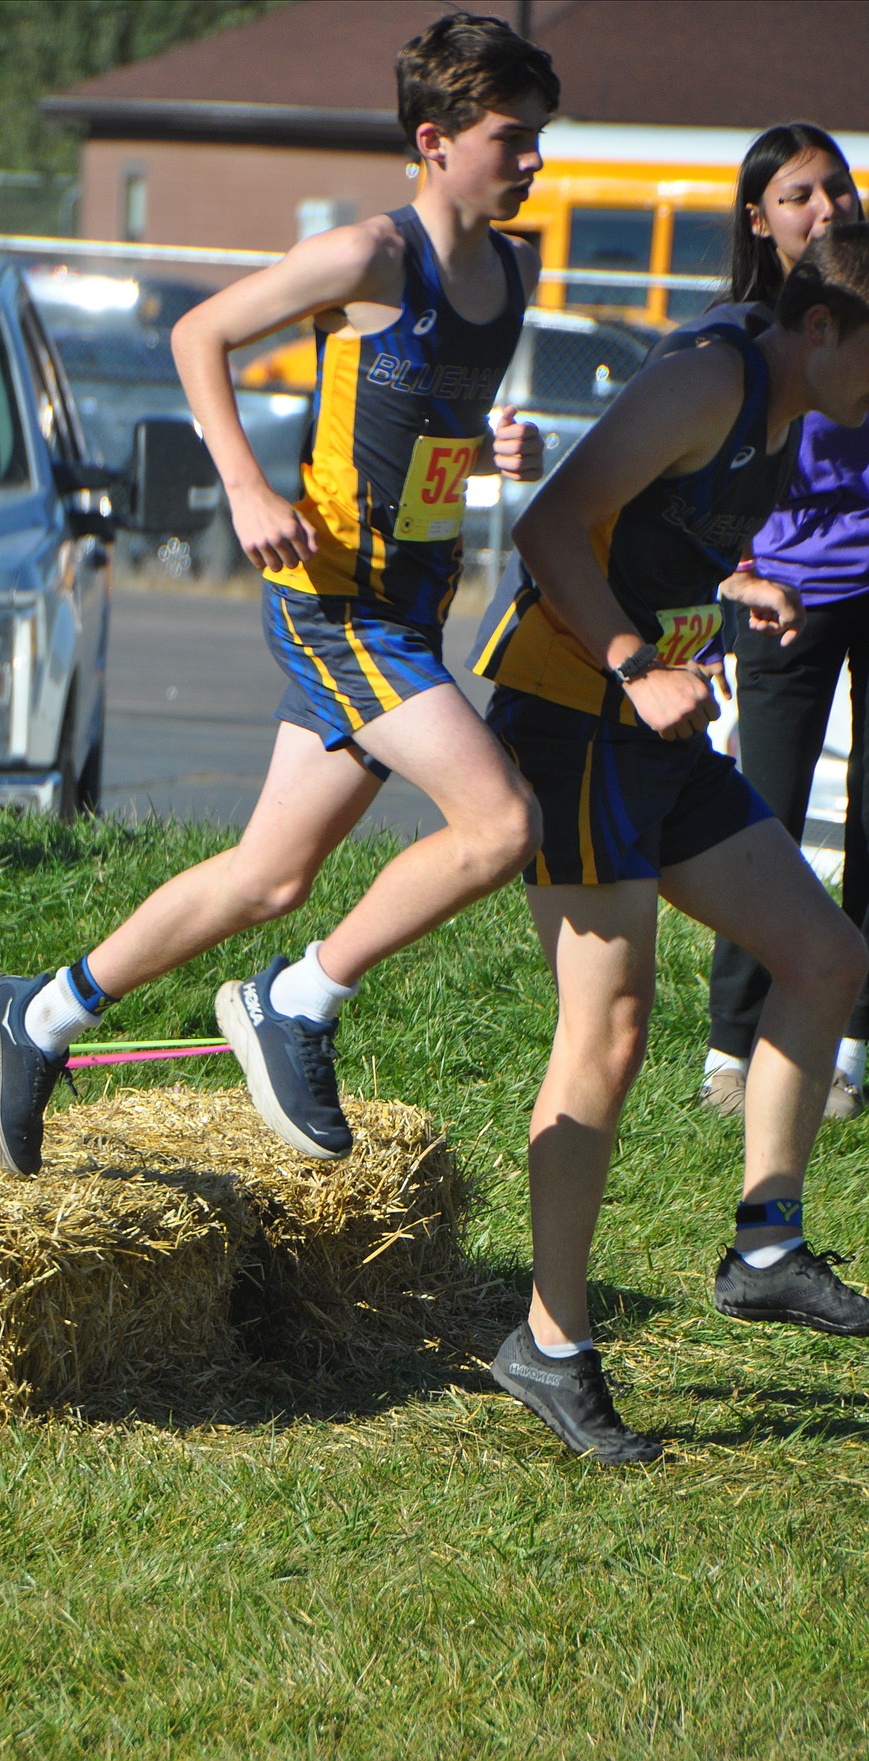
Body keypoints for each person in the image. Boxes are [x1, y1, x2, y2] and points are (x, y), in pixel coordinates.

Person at [0, 13, 556, 1177]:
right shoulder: (370, 255)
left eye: (540, 136)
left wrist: (491, 449)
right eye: (511, 137)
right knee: (501, 826)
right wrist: (242, 485)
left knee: (269, 874)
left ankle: (39, 1017)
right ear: (434, 140)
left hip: (411, 598)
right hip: (337, 600)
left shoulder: (514, 268)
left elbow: (416, 420)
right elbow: (202, 333)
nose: (533, 160)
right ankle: (298, 998)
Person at [468, 224, 869, 1464]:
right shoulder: (710, 376)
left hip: (657, 730)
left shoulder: (790, 402)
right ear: (819, 327)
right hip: (575, 721)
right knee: (614, 1025)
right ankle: (552, 1342)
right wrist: (641, 662)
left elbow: (652, 535)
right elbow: (552, 527)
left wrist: (729, 590)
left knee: (825, 957)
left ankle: (764, 1246)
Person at [654, 125, 868, 1124]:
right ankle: (732, 1054)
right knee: (762, 819)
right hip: (778, 592)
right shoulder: (733, 340)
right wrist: (738, 578)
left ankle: (846, 1051)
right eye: (798, 195)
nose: (826, 208)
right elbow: (686, 486)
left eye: (839, 188)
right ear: (759, 218)